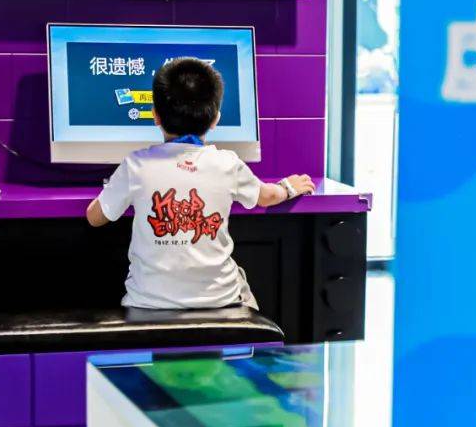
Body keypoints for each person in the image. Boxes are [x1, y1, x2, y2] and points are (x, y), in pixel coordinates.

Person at [86, 57, 315, 309]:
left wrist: (115, 189)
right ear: (215, 118)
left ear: (155, 115)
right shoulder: (227, 163)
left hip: (146, 304)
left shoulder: (135, 165)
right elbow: (267, 197)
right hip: (220, 301)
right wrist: (288, 187)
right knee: (243, 286)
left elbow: (95, 218)